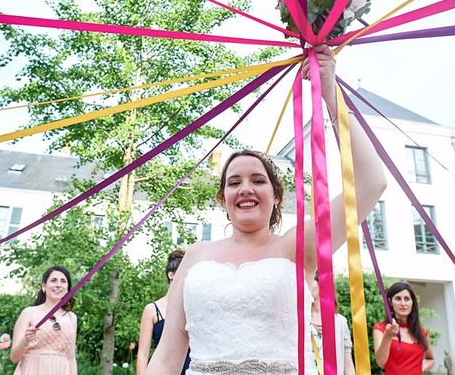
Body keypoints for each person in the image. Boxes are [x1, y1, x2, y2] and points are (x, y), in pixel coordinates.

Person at [146, 44, 387, 374]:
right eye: (234, 182)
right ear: (223, 198)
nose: (245, 188)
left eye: (257, 180)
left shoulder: (296, 246)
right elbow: (167, 355)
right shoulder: (196, 255)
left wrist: (330, 92)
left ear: (276, 196)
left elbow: (371, 183)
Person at [11, 266, 77, 374]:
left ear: (67, 289)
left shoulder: (71, 317)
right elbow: (14, 358)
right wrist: (25, 340)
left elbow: (70, 357)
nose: (58, 285)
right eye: (53, 280)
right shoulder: (29, 313)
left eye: (63, 281)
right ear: (44, 286)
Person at [136, 250, 190, 375]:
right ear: (171, 275)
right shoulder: (152, 309)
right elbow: (143, 354)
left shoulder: (193, 308)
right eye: (183, 273)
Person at [372, 281, 434, 375]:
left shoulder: (422, 332)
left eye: (407, 299)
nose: (403, 303)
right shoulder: (381, 329)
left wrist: (422, 367)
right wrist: (388, 337)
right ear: (390, 302)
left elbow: (430, 359)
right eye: (398, 298)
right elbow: (381, 363)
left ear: (412, 302)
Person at [310, 273, 355, 375]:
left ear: (322, 284)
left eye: (309, 279)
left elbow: (347, 364)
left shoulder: (340, 322)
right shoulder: (299, 319)